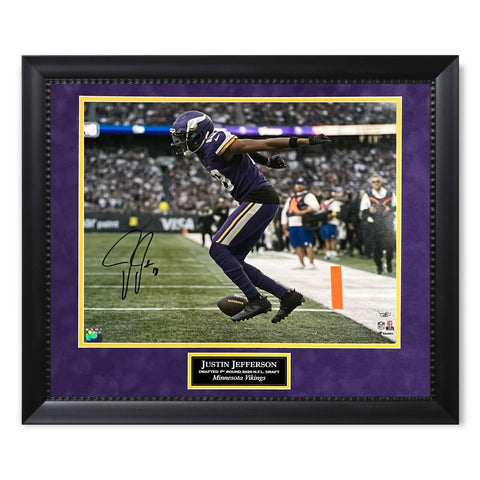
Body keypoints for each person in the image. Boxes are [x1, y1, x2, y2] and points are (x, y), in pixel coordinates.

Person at [170, 110, 331, 322]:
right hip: (256, 200)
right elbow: (244, 150)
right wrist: (266, 162)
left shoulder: (215, 143)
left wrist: (304, 141)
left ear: (197, 134)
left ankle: (256, 300)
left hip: (258, 198)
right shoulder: (206, 147)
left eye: (183, 138)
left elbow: (262, 143)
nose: (179, 143)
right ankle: (286, 296)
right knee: (235, 259)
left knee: (218, 249)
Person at [281, 178, 321, 269]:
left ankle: (311, 263)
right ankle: (301, 263)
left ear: (305, 186)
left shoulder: (308, 195)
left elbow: (316, 207)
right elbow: (285, 211)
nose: (299, 186)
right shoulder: (291, 197)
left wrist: (303, 212)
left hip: (303, 222)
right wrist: (284, 223)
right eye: (297, 184)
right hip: (292, 223)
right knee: (296, 244)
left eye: (301, 184)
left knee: (307, 243)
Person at [360, 174, 396, 274]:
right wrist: (370, 210)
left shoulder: (389, 194)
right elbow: (363, 212)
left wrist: (389, 209)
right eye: (374, 182)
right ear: (371, 184)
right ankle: (379, 265)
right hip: (374, 224)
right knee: (376, 248)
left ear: (381, 182)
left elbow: (398, 207)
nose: (376, 183)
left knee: (390, 246)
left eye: (378, 181)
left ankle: (388, 262)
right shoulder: (367, 195)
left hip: (387, 223)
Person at [320, 190, 342, 261]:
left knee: (332, 239)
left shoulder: (334, 202)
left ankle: (334, 254)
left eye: (327, 193)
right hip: (324, 223)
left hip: (332, 222)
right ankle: (328, 253)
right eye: (325, 193)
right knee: (326, 239)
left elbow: (336, 211)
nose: (326, 194)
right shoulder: (323, 202)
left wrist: (331, 216)